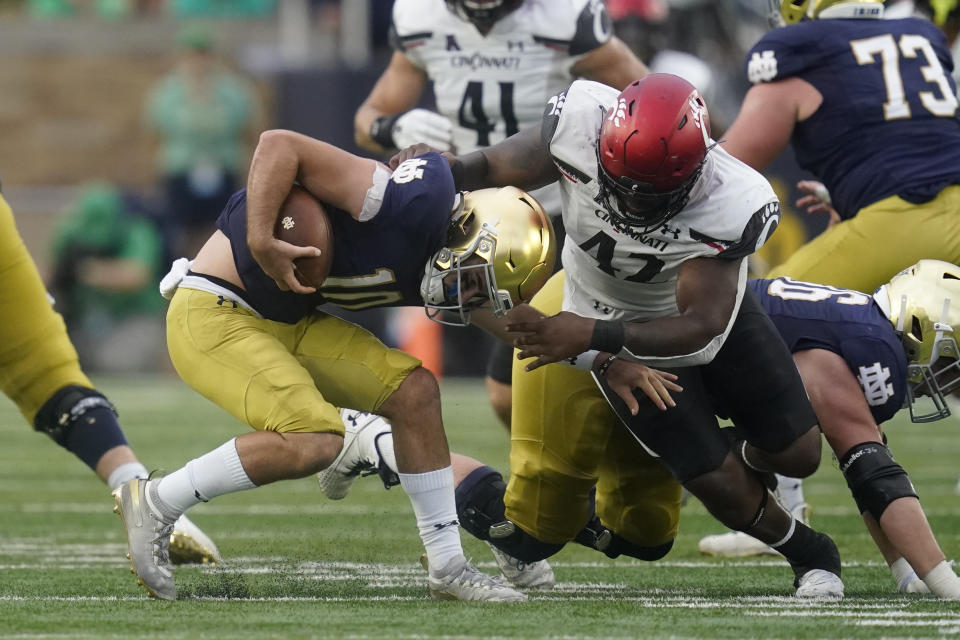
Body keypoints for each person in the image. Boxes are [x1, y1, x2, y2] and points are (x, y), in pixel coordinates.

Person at [391, 72, 846, 598]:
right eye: (617, 180)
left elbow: (702, 325)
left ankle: (718, 451)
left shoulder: (733, 198)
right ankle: (811, 552)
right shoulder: (580, 121)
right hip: (605, 320)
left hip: (688, 323)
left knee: (799, 453)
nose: (628, 201)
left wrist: (591, 334)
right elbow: (493, 164)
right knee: (707, 485)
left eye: (647, 193)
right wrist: (448, 170)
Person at [113, 129, 591, 602]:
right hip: (215, 309)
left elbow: (529, 329)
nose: (466, 300)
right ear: (465, 234)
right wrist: (261, 237)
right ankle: (156, 500)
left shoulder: (449, 259)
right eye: (471, 283)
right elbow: (278, 144)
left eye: (479, 293)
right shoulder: (407, 203)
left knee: (415, 392)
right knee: (314, 438)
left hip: (288, 321)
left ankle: (447, 567)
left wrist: (609, 358)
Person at [354, 0, 650, 429]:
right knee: (508, 395)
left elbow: (647, 101)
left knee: (576, 363)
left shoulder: (564, 17)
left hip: (562, 211)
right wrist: (394, 128)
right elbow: (367, 119)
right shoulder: (421, 17)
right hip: (480, 215)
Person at [318, 268, 684, 590]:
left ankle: (513, 511)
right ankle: (372, 440)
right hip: (577, 308)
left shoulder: (718, 229)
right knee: (530, 535)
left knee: (646, 536)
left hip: (647, 327)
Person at [695, 265, 960, 599]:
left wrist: (907, 573)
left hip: (703, 352)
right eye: (947, 362)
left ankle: (739, 450)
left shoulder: (864, 326)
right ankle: (737, 452)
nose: (943, 379)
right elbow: (877, 476)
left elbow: (872, 484)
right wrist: (947, 585)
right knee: (645, 529)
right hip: (673, 356)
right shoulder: (872, 345)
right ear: (923, 325)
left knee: (800, 449)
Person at [0, 182, 219, 567]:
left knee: (60, 371)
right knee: (50, 377)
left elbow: (135, 274)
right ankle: (138, 493)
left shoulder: (133, 229)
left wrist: (83, 272)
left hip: (132, 324)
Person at [720, 0, 960, 294]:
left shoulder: (800, 57)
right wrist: (855, 191)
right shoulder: (918, 35)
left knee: (756, 308)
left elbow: (719, 176)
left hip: (907, 219)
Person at [143, 23, 259, 259]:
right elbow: (154, 135)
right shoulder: (167, 92)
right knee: (176, 232)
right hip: (181, 171)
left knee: (225, 230)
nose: (198, 61)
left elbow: (249, 131)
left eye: (203, 54)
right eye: (192, 54)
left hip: (223, 168)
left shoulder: (233, 91)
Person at [48, 183, 167, 374]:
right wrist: (59, 277)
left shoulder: (138, 231)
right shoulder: (69, 234)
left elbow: (136, 276)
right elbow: (47, 276)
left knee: (116, 364)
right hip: (83, 320)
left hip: (133, 318)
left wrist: (88, 271)